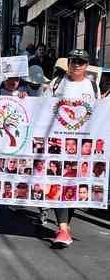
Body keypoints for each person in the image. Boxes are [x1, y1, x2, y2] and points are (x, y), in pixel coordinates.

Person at [43, 48, 99, 247]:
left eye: (81, 62)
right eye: (73, 61)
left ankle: (66, 224)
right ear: (68, 63)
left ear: (86, 65)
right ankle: (63, 228)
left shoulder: (92, 86)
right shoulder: (57, 83)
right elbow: (41, 107)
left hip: (82, 145)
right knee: (59, 181)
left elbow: (97, 114)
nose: (76, 65)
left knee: (74, 185)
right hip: (57, 143)